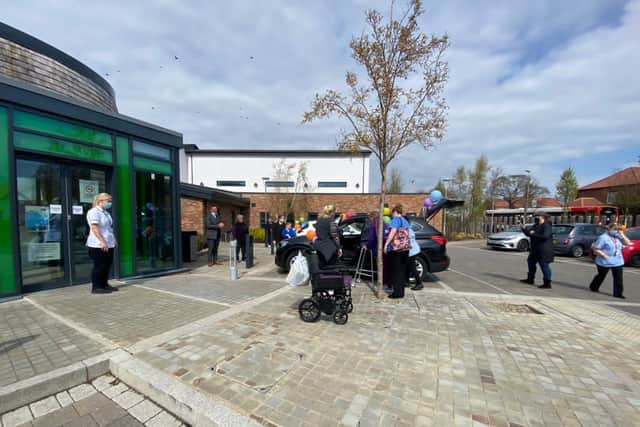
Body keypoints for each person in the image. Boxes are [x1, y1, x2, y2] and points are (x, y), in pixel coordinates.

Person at [86, 193, 117, 294]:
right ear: (101, 201)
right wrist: (102, 241)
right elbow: (95, 228)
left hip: (109, 243)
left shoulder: (106, 213)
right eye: (108, 201)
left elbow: (108, 228)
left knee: (107, 265)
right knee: (99, 266)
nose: (110, 203)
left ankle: (104, 284)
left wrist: (114, 239)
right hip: (97, 244)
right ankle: (96, 287)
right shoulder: (94, 212)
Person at [589, 223, 631, 299]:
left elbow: (628, 243)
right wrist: (604, 255)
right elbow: (596, 248)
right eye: (615, 229)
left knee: (618, 277)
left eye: (617, 229)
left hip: (617, 261)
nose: (616, 231)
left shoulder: (618, 237)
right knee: (601, 275)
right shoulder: (603, 238)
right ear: (609, 229)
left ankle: (618, 293)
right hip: (604, 261)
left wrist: (622, 234)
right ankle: (594, 287)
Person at [519, 213, 554, 288]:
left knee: (544, 265)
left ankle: (547, 283)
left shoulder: (547, 226)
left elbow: (545, 236)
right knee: (530, 262)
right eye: (535, 217)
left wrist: (534, 234)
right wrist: (523, 229)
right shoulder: (535, 225)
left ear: (542, 218)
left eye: (537, 217)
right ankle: (530, 279)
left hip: (544, 249)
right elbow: (529, 234)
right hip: (535, 249)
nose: (536, 218)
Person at [384, 204, 411, 299]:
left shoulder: (395, 220)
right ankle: (401, 292)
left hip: (396, 249)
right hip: (405, 248)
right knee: (402, 271)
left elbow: (392, 233)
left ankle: (396, 293)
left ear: (395, 212)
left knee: (395, 271)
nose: (392, 215)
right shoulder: (404, 220)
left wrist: (386, 244)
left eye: (392, 213)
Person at [405, 216, 423, 290]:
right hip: (412, 250)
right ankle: (406, 281)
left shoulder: (407, 230)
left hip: (411, 251)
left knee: (412, 267)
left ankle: (419, 283)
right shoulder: (408, 229)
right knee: (407, 266)